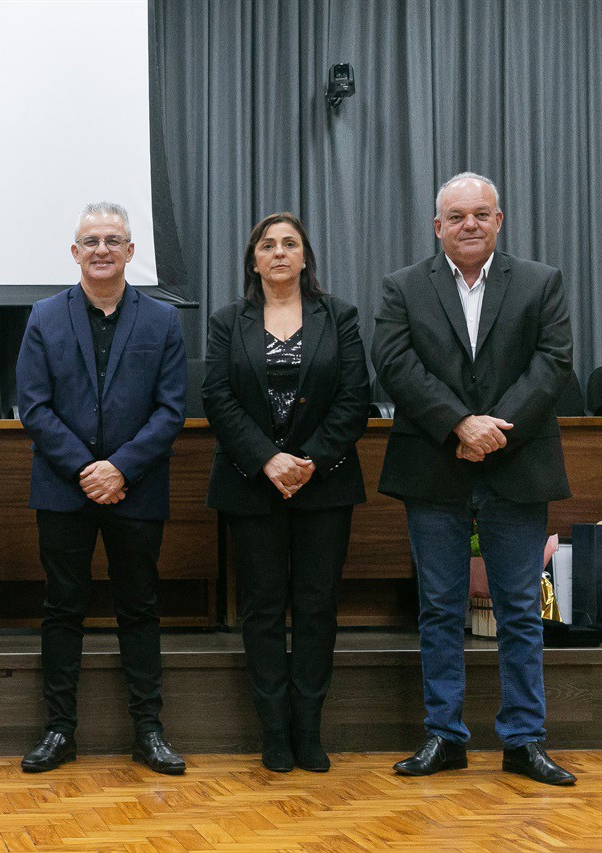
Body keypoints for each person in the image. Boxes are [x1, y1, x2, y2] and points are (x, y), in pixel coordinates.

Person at [373, 172, 576, 785]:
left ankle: (523, 739)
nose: (469, 224)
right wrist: (460, 423)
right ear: (437, 226)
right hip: (434, 464)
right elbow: (393, 362)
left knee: (518, 608)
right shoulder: (403, 287)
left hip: (517, 464)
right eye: (456, 215)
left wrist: (494, 429)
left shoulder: (542, 282)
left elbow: (553, 361)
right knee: (439, 607)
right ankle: (445, 736)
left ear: (499, 220)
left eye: (480, 214)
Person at [15, 202, 187, 775]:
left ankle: (150, 730)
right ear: (74, 252)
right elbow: (33, 407)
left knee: (139, 608)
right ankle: (59, 730)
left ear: (132, 251)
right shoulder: (43, 316)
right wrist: (88, 469)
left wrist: (120, 469)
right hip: (64, 491)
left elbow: (171, 410)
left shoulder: (162, 321)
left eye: (114, 240)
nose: (102, 250)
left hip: (135, 491)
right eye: (90, 241)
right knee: (62, 609)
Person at [202, 212, 370, 773]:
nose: (278, 252)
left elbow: (354, 398)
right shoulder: (228, 321)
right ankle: (274, 731)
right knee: (263, 609)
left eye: (289, 244)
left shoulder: (338, 316)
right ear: (254, 260)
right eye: (268, 245)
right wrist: (268, 458)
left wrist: (311, 461)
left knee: (318, 608)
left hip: (324, 486)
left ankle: (309, 729)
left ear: (304, 257)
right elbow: (218, 397)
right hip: (253, 485)